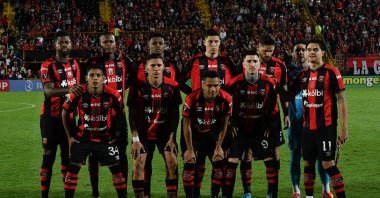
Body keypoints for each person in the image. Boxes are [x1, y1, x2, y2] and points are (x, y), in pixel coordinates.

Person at [179, 29, 237, 197]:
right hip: (197, 113)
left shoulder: (227, 62)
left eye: (216, 42)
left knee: (220, 161)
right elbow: (180, 82)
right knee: (197, 160)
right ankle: (195, 193)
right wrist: (195, 94)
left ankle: (215, 193)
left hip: (218, 115)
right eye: (209, 42)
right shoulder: (194, 61)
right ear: (203, 42)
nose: (213, 45)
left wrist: (222, 98)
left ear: (220, 43)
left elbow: (234, 84)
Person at [289, 38, 348, 198]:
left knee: (327, 163)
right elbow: (288, 92)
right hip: (307, 129)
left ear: (322, 52)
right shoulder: (303, 75)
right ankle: (309, 196)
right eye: (309, 49)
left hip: (326, 127)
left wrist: (343, 129)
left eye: (315, 49)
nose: (311, 52)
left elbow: (341, 100)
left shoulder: (331, 72)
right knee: (307, 163)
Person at [62, 63, 127, 198]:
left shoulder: (113, 94)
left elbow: (120, 114)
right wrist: (70, 136)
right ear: (86, 77)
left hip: (105, 139)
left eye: (98, 75)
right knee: (73, 169)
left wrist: (117, 134)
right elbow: (65, 112)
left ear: (104, 78)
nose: (95, 78)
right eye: (92, 75)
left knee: (116, 169)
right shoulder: (78, 93)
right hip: (82, 138)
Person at [83, 32, 133, 198]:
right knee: (93, 154)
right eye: (105, 41)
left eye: (111, 41)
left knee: (121, 154)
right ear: (100, 44)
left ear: (115, 43)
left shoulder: (124, 61)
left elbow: (132, 78)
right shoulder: (92, 63)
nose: (109, 44)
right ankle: (95, 192)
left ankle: (123, 191)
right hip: (96, 115)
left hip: (119, 116)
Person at [131, 32, 180, 198]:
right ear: (146, 68)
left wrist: (172, 137)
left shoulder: (172, 86)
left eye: (159, 66)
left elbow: (175, 113)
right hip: (144, 133)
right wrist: (135, 140)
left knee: (172, 161)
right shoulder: (137, 86)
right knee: (139, 163)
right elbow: (132, 113)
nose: (156, 68)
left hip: (165, 133)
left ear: (163, 67)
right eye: (152, 66)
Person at [223, 50, 279, 198]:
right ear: (243, 64)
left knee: (270, 160)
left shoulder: (268, 83)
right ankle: (229, 195)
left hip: (259, 130)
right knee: (232, 161)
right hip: (239, 131)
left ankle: (272, 194)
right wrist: (230, 124)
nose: (252, 64)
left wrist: (268, 125)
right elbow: (224, 106)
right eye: (249, 61)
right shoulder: (233, 84)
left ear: (260, 64)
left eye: (255, 61)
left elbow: (273, 108)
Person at [39, 31, 82, 198]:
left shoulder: (75, 65)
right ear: (55, 45)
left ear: (71, 45)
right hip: (51, 118)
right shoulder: (47, 65)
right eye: (61, 43)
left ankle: (67, 195)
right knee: (48, 155)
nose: (64, 45)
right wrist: (70, 89)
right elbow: (49, 91)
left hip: (70, 119)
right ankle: (44, 195)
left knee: (67, 157)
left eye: (67, 42)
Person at [182, 70, 232, 198]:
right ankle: (192, 195)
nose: (213, 89)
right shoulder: (191, 99)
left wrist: (219, 146)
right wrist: (189, 149)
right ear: (202, 85)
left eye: (216, 85)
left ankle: (214, 195)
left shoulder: (226, 99)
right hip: (194, 136)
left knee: (219, 162)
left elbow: (224, 124)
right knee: (190, 163)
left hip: (213, 135)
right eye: (209, 85)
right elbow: (186, 125)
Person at [257, 33, 290, 197]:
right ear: (258, 48)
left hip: (273, 115)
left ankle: (273, 189)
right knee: (250, 153)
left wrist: (287, 114)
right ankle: (248, 191)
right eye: (265, 51)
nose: (268, 54)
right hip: (252, 116)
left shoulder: (280, 66)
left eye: (271, 51)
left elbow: (283, 93)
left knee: (274, 151)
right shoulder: (249, 63)